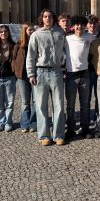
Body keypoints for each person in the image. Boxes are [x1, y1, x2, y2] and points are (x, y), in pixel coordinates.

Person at [26, 9, 66, 146]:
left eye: (50, 16)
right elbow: (31, 55)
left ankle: (59, 134)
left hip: (56, 71)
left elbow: (66, 51)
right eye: (45, 16)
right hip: (41, 72)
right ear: (42, 19)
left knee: (59, 105)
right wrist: (31, 74)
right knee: (41, 106)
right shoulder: (36, 35)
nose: (47, 18)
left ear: (53, 18)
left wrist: (65, 67)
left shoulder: (60, 33)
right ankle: (44, 135)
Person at [64, 15, 95, 140]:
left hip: (85, 74)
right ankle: (71, 128)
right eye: (77, 24)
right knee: (70, 104)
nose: (79, 27)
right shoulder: (67, 39)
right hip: (71, 74)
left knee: (85, 103)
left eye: (82, 24)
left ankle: (85, 128)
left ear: (85, 26)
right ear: (73, 26)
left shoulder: (90, 37)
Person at [0, 25, 16, 132]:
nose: (3, 34)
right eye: (1, 32)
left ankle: (8, 123)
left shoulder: (13, 46)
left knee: (10, 102)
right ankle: (0, 123)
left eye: (5, 31)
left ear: (8, 33)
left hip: (10, 77)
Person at [12, 22, 37, 133]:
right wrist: (15, 70)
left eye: (32, 30)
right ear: (24, 31)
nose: (32, 31)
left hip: (35, 74)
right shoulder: (18, 44)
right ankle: (25, 123)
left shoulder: (36, 42)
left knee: (35, 101)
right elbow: (13, 59)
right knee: (25, 102)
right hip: (22, 76)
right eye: (29, 30)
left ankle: (34, 123)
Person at [85, 15, 99, 122]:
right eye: (90, 23)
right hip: (87, 70)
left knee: (99, 97)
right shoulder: (83, 36)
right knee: (87, 97)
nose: (92, 25)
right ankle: (86, 119)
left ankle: (98, 117)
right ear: (87, 25)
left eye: (94, 23)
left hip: (99, 70)